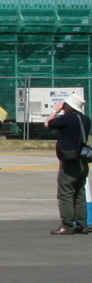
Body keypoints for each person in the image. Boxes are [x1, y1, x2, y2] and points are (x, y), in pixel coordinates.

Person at [47, 98, 89, 235]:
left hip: (69, 161)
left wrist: (55, 110)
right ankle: (81, 224)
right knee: (79, 193)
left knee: (66, 193)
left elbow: (48, 124)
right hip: (82, 160)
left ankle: (67, 224)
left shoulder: (67, 119)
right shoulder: (86, 119)